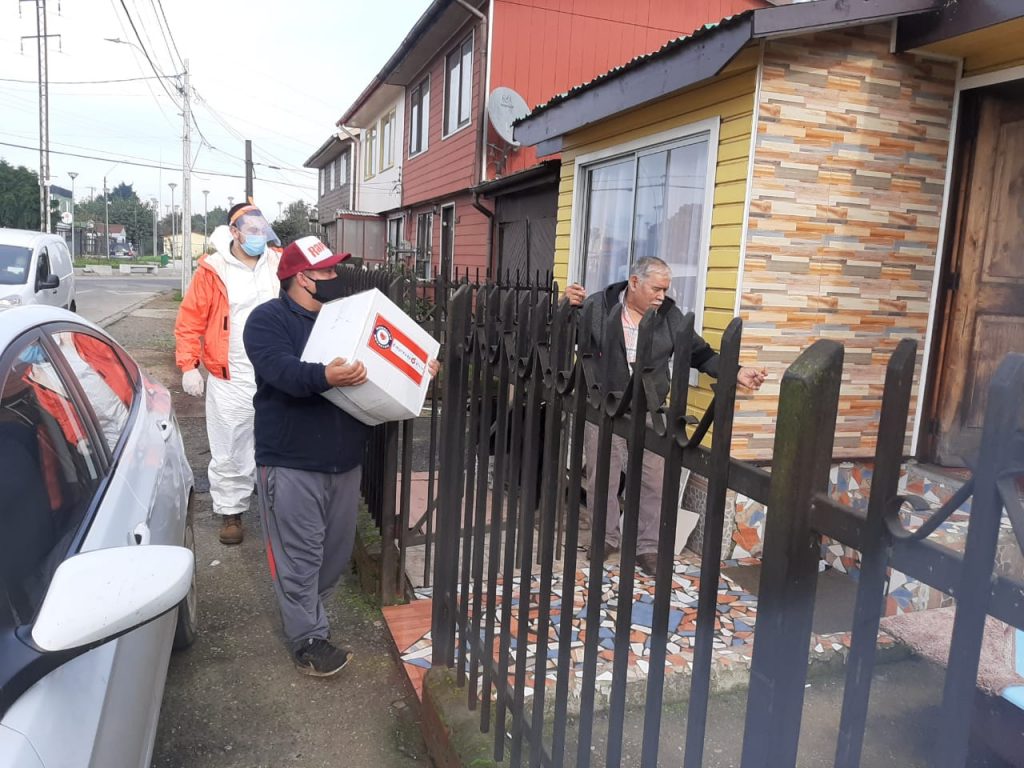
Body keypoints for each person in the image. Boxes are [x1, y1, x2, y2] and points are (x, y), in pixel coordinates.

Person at [243, 235, 439, 676]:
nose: (335, 278)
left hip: (344, 459)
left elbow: (389, 359)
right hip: (291, 460)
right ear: (300, 279)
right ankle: (308, 638)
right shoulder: (267, 319)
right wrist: (325, 375)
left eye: (335, 269)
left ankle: (314, 618)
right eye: (327, 271)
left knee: (332, 555)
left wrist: (419, 365)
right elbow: (282, 372)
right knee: (300, 555)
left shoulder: (344, 318)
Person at [565, 256, 766, 576]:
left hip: (650, 409)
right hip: (605, 404)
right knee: (603, 474)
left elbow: (701, 355)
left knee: (653, 481)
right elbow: (565, 336)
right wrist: (564, 308)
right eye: (656, 288)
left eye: (665, 289)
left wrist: (738, 371)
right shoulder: (598, 307)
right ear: (634, 283)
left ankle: (648, 547)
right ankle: (605, 538)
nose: (662, 295)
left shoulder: (670, 317)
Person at [174, 201, 281, 545]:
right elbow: (190, 321)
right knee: (231, 443)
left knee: (278, 438)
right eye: (251, 230)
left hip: (277, 367)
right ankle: (231, 512)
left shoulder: (278, 261)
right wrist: (189, 365)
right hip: (231, 371)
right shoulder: (213, 269)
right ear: (234, 232)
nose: (258, 236)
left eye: (261, 229)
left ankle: (280, 507)